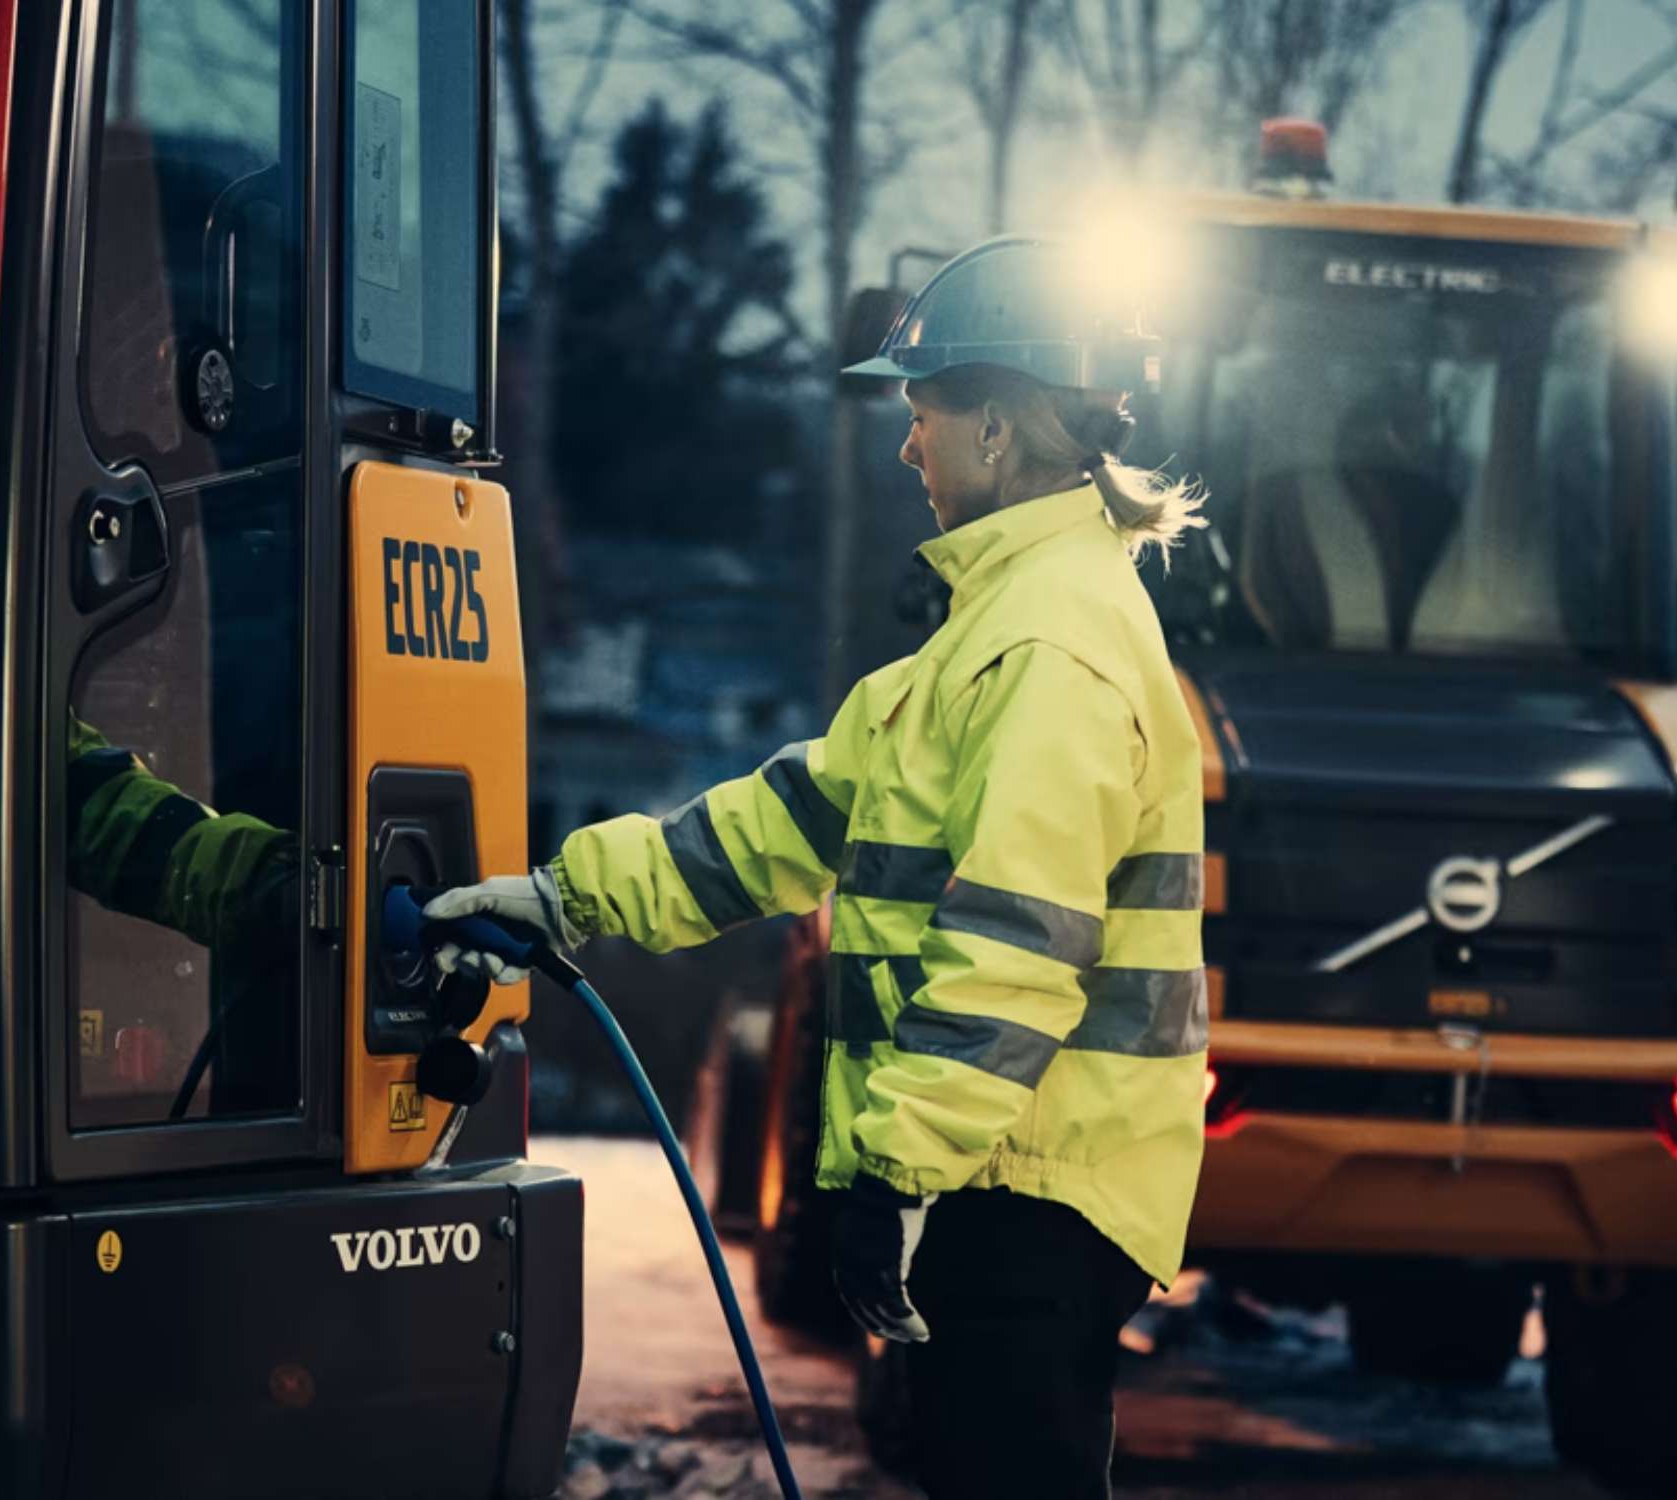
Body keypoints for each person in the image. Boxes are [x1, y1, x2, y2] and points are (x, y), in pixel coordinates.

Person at [426, 236, 1211, 1499]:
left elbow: (1018, 948)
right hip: (1003, 1173)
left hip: (1023, 1187)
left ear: (998, 432)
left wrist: (899, 1168)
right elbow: (785, 822)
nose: (908, 446)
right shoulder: (995, 633)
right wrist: (562, 896)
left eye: (923, 413)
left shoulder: (1049, 648)